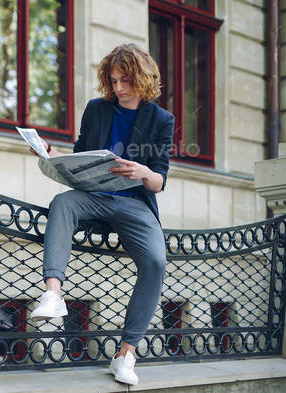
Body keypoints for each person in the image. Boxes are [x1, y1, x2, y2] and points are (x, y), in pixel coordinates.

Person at [29, 43, 175, 386]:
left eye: (126, 80)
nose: (119, 88)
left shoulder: (161, 120)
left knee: (155, 262)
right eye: (114, 80)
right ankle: (53, 293)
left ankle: (126, 355)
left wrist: (142, 171)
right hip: (94, 196)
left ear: (142, 79)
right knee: (63, 202)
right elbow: (81, 156)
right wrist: (50, 152)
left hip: (136, 202)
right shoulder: (97, 109)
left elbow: (159, 180)